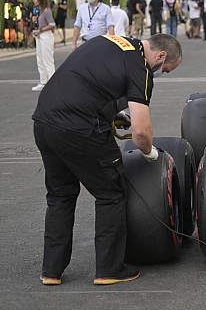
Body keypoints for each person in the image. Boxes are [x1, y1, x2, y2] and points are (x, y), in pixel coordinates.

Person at [33, 33, 182, 286]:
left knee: (60, 195)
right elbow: (141, 131)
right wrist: (149, 153)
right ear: (160, 56)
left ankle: (51, 271)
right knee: (111, 192)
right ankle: (110, 269)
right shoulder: (141, 67)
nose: (162, 73)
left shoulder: (111, 41)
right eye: (165, 70)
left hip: (44, 120)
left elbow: (92, 84)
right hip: (78, 126)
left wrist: (108, 120)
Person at [31, 0, 56, 91]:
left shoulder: (47, 11)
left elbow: (52, 24)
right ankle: (43, 82)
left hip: (46, 36)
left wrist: (40, 30)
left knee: (47, 60)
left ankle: (52, 82)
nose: (34, 1)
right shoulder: (38, 11)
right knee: (40, 59)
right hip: (39, 36)